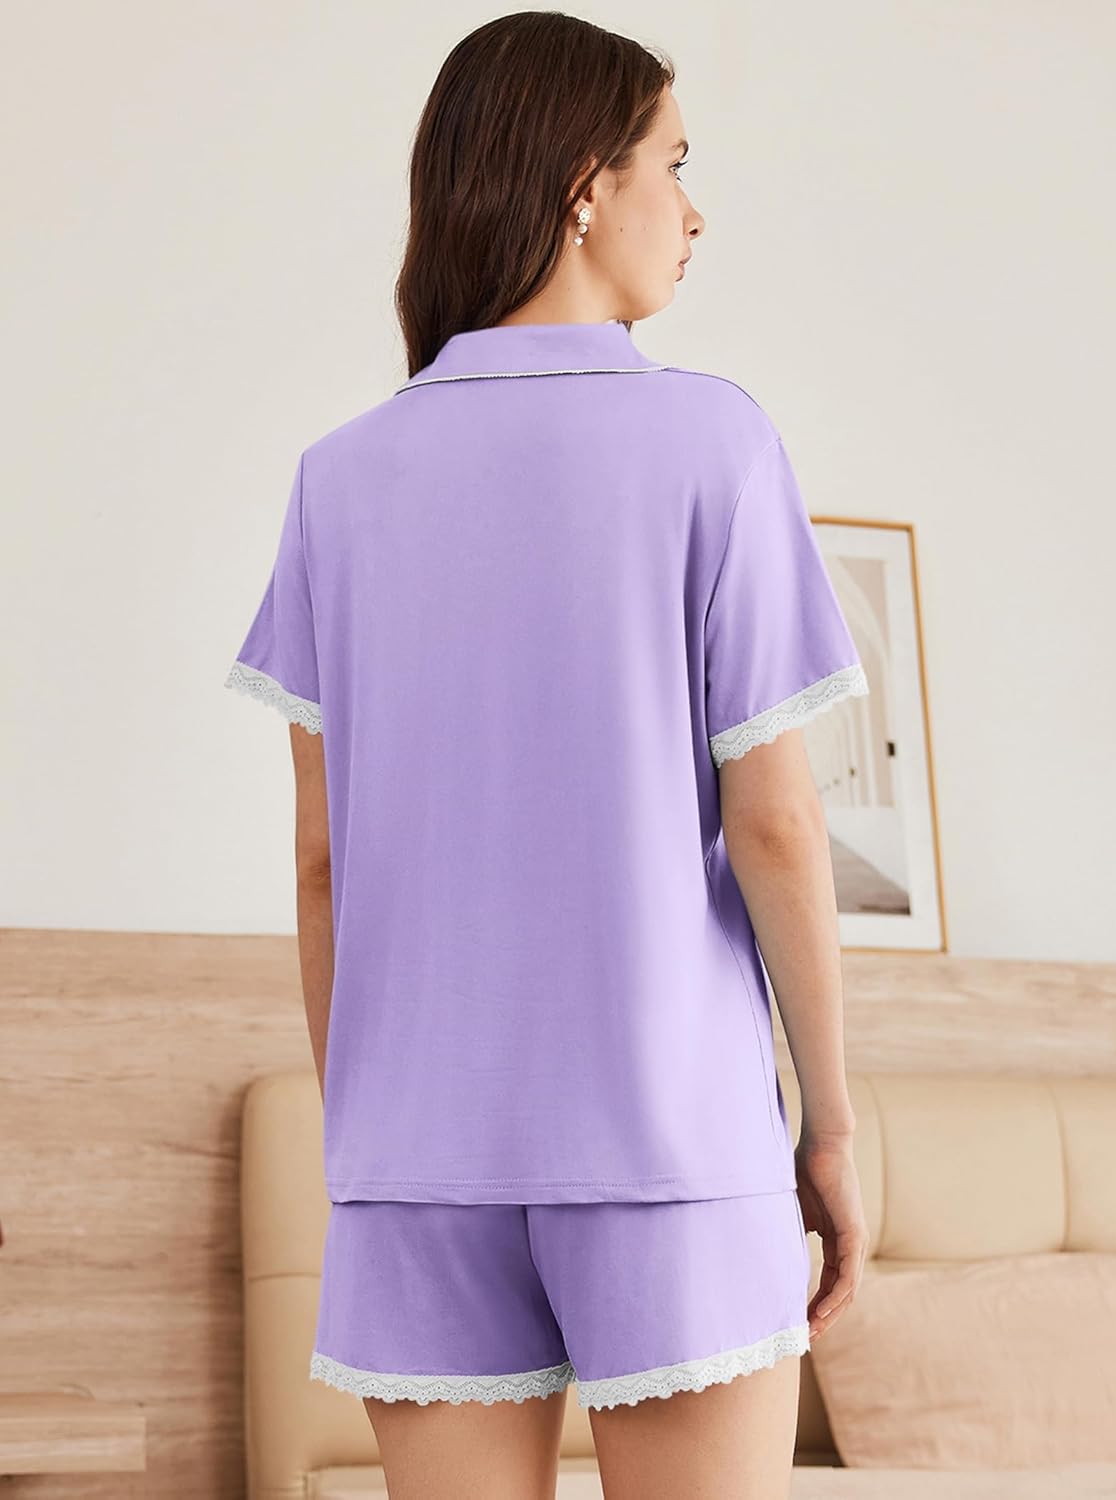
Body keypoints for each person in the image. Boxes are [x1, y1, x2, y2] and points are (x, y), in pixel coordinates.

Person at [224, 12, 870, 1500]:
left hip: (413, 1165)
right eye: (673, 165)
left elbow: (323, 863)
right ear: (586, 186)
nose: (693, 211)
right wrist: (829, 1127)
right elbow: (775, 826)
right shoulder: (712, 442)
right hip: (670, 1142)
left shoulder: (340, 479)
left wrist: (379, 1140)